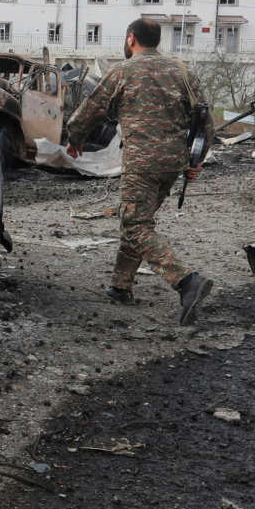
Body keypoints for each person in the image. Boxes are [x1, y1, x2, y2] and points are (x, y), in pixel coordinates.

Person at [65, 17, 214, 325]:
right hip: (174, 163)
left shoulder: (123, 71)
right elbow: (205, 120)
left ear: (131, 38)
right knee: (138, 218)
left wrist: (75, 140)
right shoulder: (181, 71)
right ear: (157, 39)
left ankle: (187, 282)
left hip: (142, 163)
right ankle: (121, 286)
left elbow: (88, 112)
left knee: (135, 226)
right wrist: (196, 160)